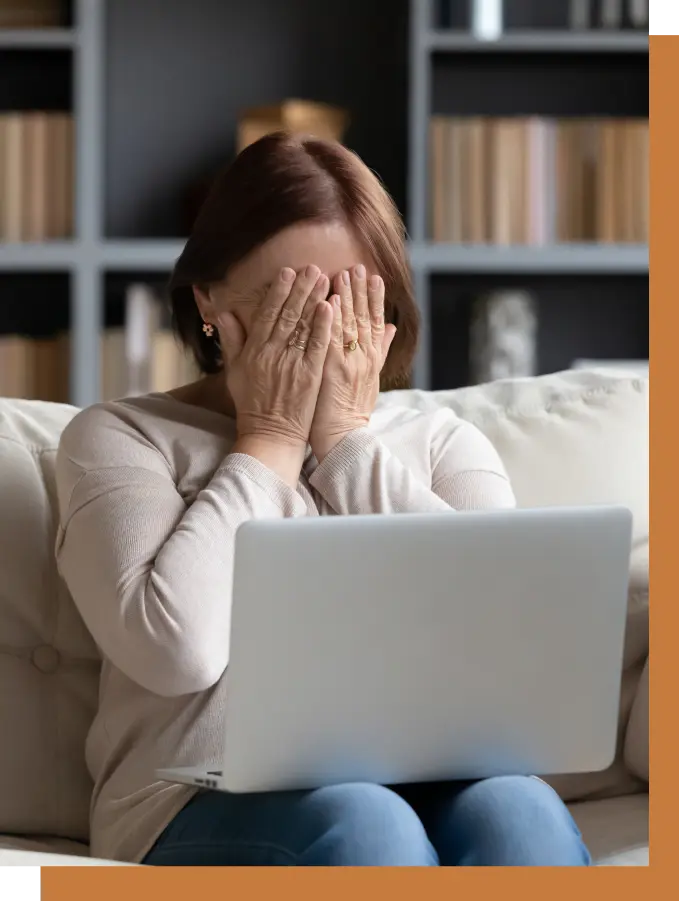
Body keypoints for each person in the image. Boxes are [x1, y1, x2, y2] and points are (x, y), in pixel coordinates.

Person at [55, 132, 590, 867]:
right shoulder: (121, 438)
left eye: (343, 300)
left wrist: (343, 441)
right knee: (367, 821)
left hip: (428, 775)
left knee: (520, 808)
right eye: (288, 302)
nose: (317, 331)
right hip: (190, 800)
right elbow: (175, 649)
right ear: (208, 298)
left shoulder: (440, 442)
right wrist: (268, 438)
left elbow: (496, 638)